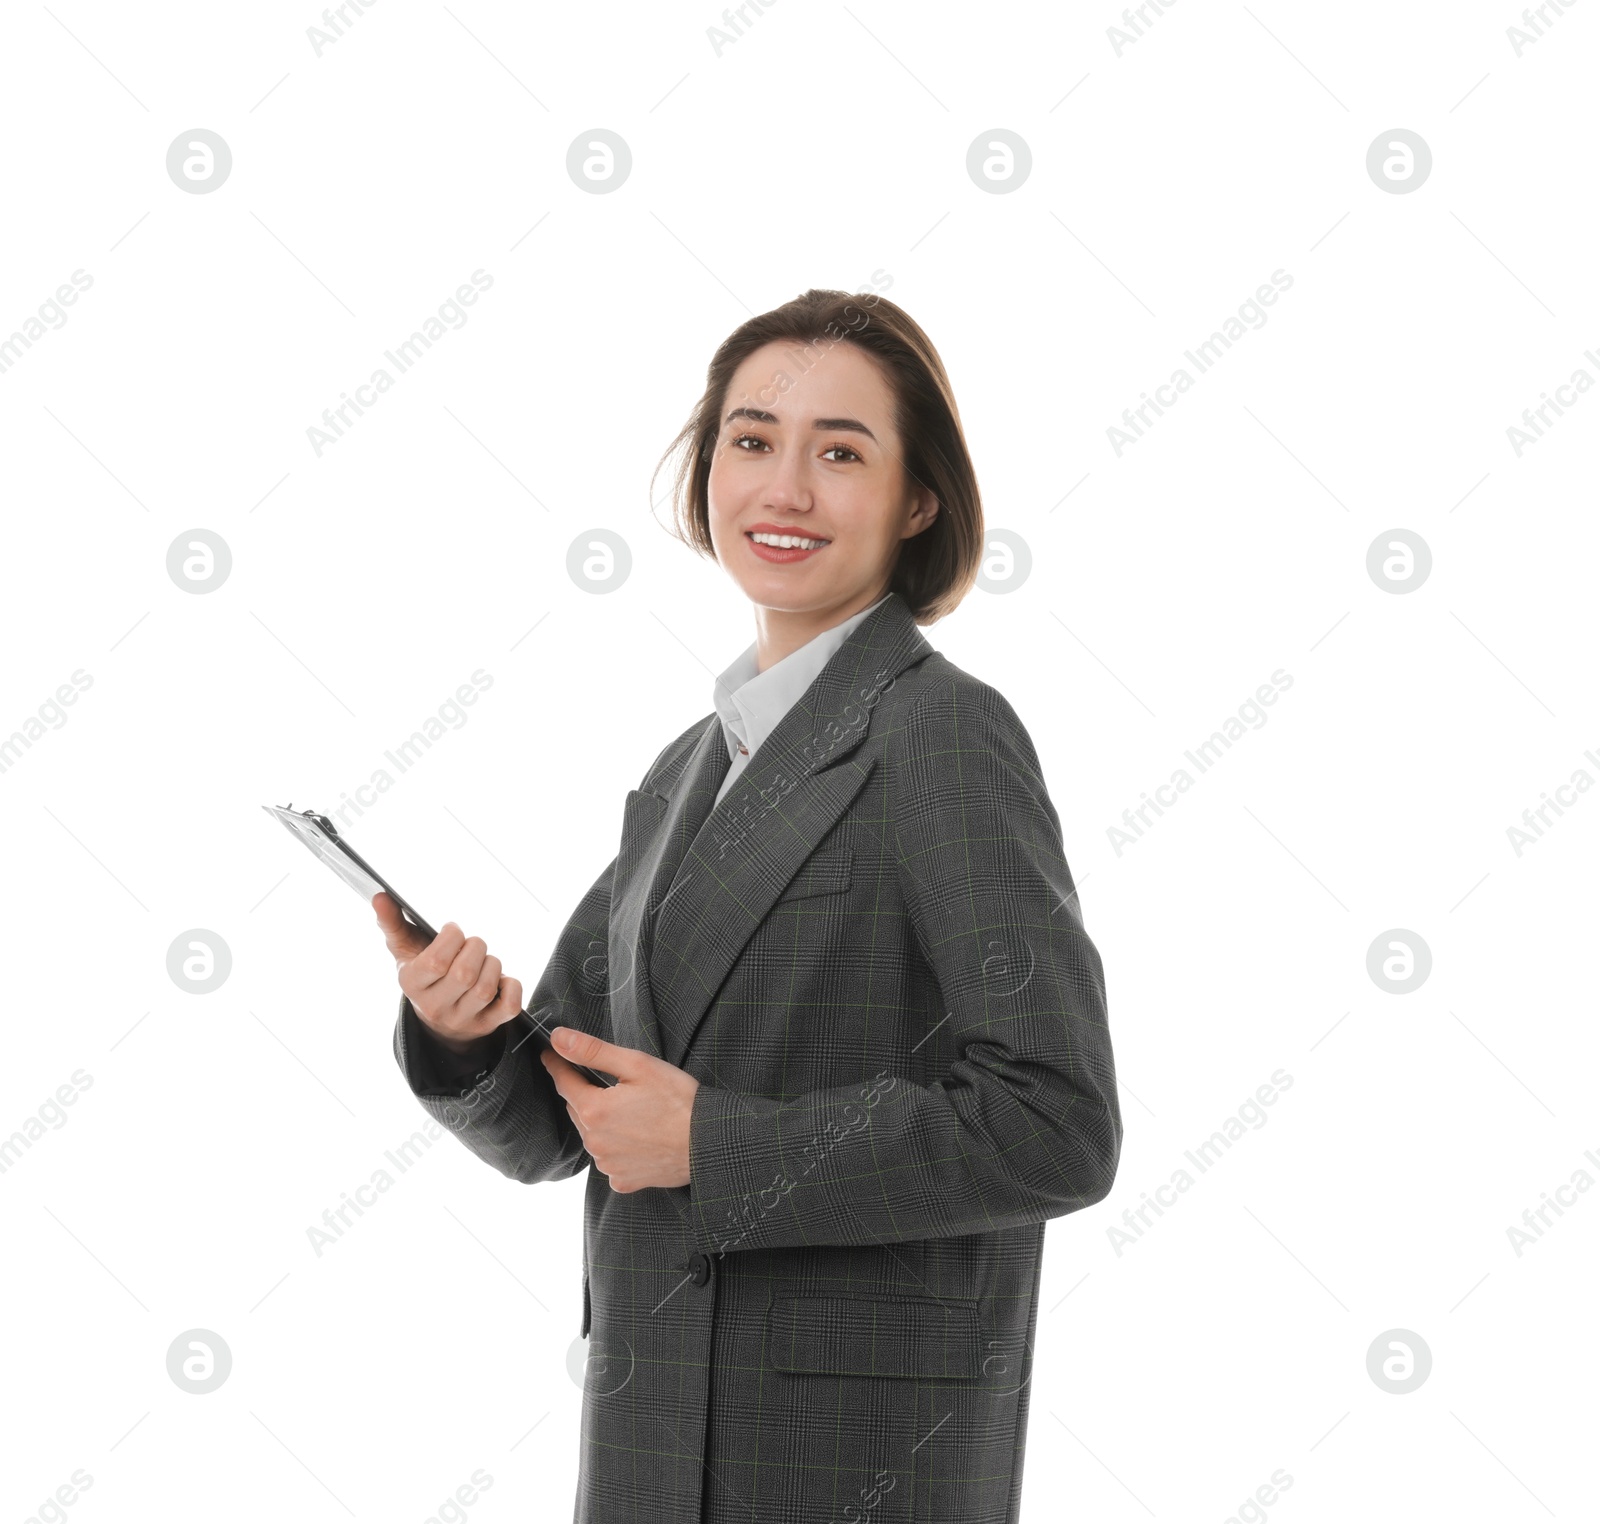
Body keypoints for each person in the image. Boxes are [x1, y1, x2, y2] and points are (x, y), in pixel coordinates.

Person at [373, 286, 1122, 1524]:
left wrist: (715, 1147)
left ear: (916, 500)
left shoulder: (942, 732)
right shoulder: (690, 768)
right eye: (751, 440)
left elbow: (1055, 1122)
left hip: (846, 1455)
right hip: (653, 1422)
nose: (784, 489)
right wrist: (461, 1036)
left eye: (841, 452)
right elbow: (568, 1121)